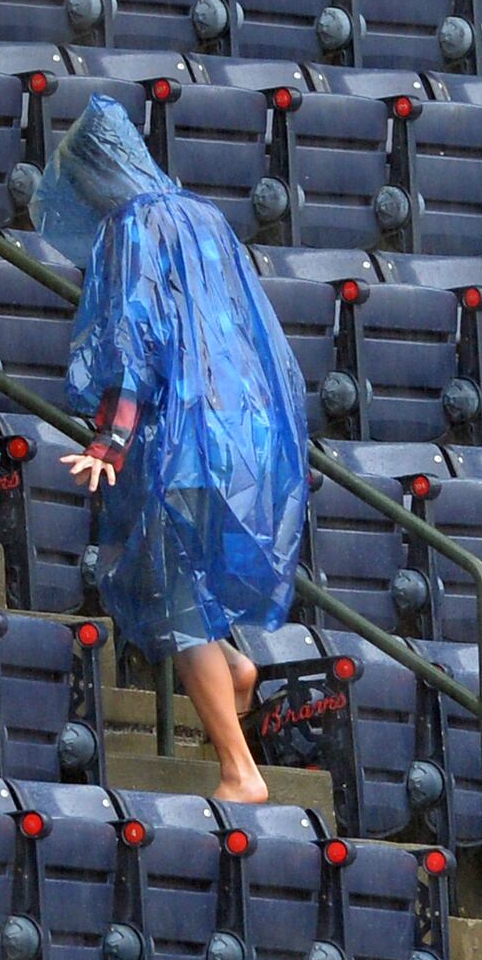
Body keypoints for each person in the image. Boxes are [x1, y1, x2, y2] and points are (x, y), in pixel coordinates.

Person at [40, 97, 312, 805]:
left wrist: (112, 439)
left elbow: (137, 337)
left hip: (180, 436)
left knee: (177, 594)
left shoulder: (135, 225)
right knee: (177, 581)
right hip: (241, 428)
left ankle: (239, 767)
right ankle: (235, 668)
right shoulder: (204, 216)